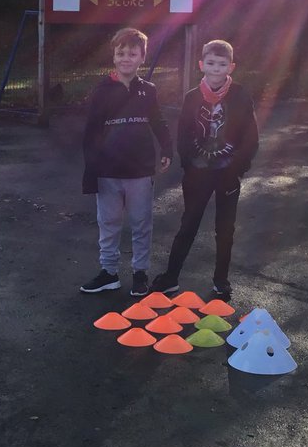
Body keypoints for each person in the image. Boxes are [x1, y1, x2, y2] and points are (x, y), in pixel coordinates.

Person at [152, 38, 258, 302]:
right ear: (202, 65)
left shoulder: (241, 95)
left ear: (230, 67)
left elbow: (250, 137)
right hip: (198, 175)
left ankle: (221, 281)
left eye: (222, 64)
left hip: (227, 174)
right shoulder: (192, 97)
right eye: (210, 63)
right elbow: (184, 136)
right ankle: (170, 278)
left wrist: (238, 167)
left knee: (225, 229)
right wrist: (191, 165)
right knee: (188, 224)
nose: (216, 69)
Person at [80, 27, 173, 297]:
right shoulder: (101, 91)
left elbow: (158, 121)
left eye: (132, 54)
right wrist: (91, 170)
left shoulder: (149, 90)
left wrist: (167, 147)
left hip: (140, 172)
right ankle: (109, 272)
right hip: (108, 172)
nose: (126, 58)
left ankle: (140, 273)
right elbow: (91, 133)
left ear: (142, 57)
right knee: (108, 223)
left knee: (141, 223)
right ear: (114, 56)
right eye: (121, 53)